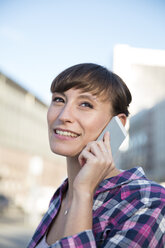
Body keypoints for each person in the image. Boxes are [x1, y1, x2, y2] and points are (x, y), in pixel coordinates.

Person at [27, 63, 165, 248]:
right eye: (59, 100)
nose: (64, 115)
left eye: (85, 104)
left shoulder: (149, 201)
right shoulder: (62, 194)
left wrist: (84, 193)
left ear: (118, 123)